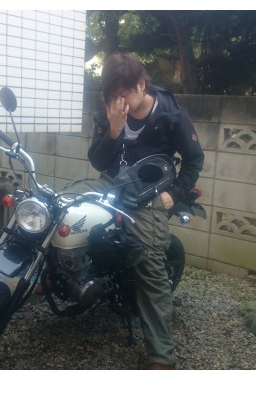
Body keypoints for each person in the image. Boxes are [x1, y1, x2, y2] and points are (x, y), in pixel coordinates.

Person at [68, 52, 204, 369]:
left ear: (141, 84)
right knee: (64, 206)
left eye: (123, 95)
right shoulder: (110, 112)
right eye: (112, 97)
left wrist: (175, 194)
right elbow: (98, 161)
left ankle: (162, 355)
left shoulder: (171, 115)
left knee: (149, 262)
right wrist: (114, 130)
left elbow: (194, 159)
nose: (119, 103)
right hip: (110, 182)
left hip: (148, 193)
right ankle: (57, 277)